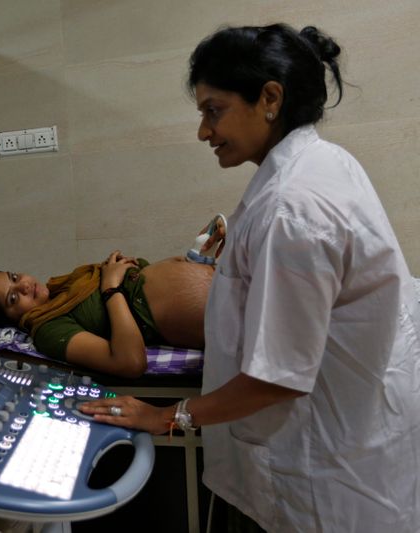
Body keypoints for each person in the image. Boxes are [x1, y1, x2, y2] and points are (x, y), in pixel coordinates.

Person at [80, 23, 420, 532]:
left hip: (325, 468)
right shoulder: (320, 165)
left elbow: (277, 376)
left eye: (213, 111)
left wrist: (167, 416)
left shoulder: (291, 208)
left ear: (270, 98)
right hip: (358, 430)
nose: (203, 131)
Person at [0, 252, 214, 378]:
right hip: (220, 312)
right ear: (9, 320)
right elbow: (130, 362)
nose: (24, 285)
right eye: (13, 298)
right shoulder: (48, 330)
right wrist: (110, 287)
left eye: (14, 277)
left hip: (224, 281)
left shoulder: (63, 288)